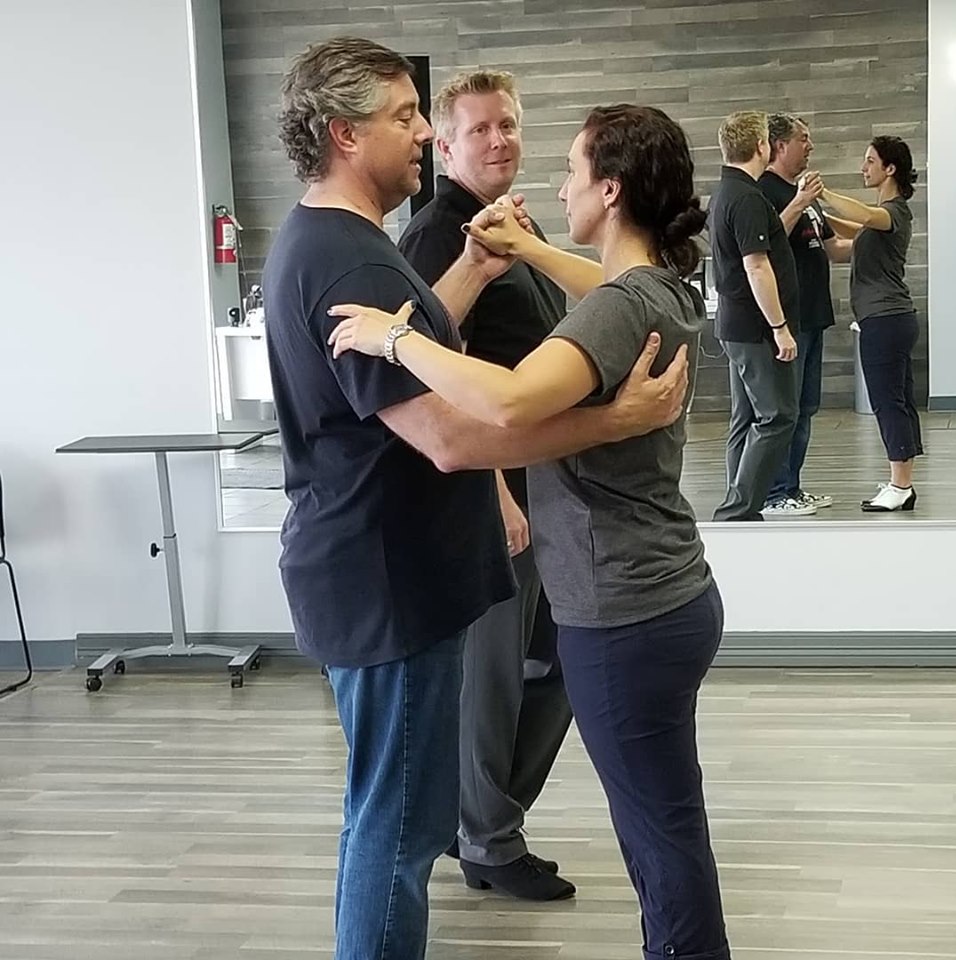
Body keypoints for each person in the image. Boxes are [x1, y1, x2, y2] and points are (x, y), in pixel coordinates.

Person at [263, 39, 692, 960]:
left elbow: (413, 343)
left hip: (378, 568)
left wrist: (475, 269)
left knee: (387, 815)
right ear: (344, 134)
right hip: (390, 580)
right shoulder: (352, 263)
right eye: (405, 117)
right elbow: (454, 435)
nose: (424, 134)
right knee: (399, 832)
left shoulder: (335, 242)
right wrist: (614, 422)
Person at [397, 70, 574, 902]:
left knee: (559, 663)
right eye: (480, 129)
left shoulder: (508, 224)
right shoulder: (439, 236)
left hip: (546, 478)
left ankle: (483, 816)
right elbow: (439, 379)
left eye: (508, 123)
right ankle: (487, 838)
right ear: (445, 145)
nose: (500, 139)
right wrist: (495, 491)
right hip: (497, 489)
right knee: (495, 675)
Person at [708, 110, 800, 522]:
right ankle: (738, 510)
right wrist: (780, 327)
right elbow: (756, 266)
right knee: (778, 416)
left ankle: (737, 507)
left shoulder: (726, 192)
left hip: (737, 325)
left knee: (745, 418)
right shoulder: (745, 197)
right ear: (761, 146)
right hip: (755, 328)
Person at [758, 114, 852, 516]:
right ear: (780, 146)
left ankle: (791, 487)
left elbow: (835, 247)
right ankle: (774, 491)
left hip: (814, 314)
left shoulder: (804, 195)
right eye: (804, 139)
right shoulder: (764, 191)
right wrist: (798, 202)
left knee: (806, 407)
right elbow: (765, 241)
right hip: (788, 318)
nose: (810, 146)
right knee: (786, 409)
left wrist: (882, 231)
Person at [820, 136, 921, 512]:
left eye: (870, 161)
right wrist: (813, 214)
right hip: (888, 319)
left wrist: (822, 192)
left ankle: (899, 485)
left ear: (889, 169)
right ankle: (902, 482)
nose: (863, 168)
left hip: (886, 319)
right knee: (898, 400)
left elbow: (862, 217)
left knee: (887, 402)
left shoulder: (893, 212)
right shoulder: (877, 220)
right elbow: (846, 236)